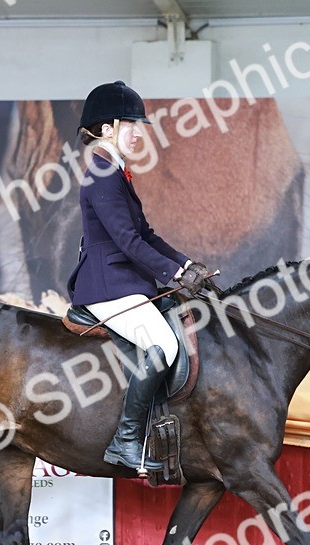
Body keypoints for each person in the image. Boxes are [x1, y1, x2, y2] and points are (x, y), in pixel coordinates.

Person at [66, 80, 210, 472]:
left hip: (125, 283)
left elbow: (146, 235)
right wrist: (173, 273)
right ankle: (125, 441)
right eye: (130, 123)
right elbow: (128, 242)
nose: (137, 132)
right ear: (107, 128)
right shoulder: (101, 174)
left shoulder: (116, 172)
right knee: (163, 344)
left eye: (138, 124)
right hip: (108, 286)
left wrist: (185, 266)